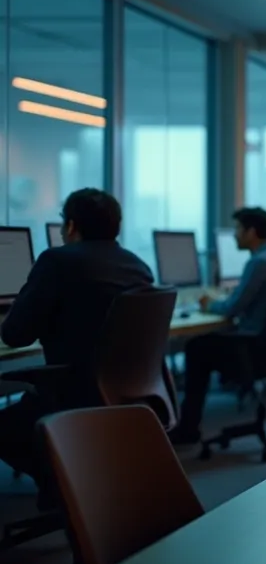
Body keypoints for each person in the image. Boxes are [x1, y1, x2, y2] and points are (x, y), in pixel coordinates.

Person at [0, 189, 153, 481]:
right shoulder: (138, 266)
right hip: (130, 394)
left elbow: (15, 335)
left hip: (74, 393)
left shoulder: (57, 261)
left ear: (70, 226)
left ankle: (65, 488)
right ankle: (78, 482)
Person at [173, 207, 266, 444]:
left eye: (238, 229)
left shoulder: (259, 263)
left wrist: (208, 304)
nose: (235, 235)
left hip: (254, 348)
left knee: (196, 348)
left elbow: (232, 308)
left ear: (251, 232)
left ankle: (188, 427)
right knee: (209, 340)